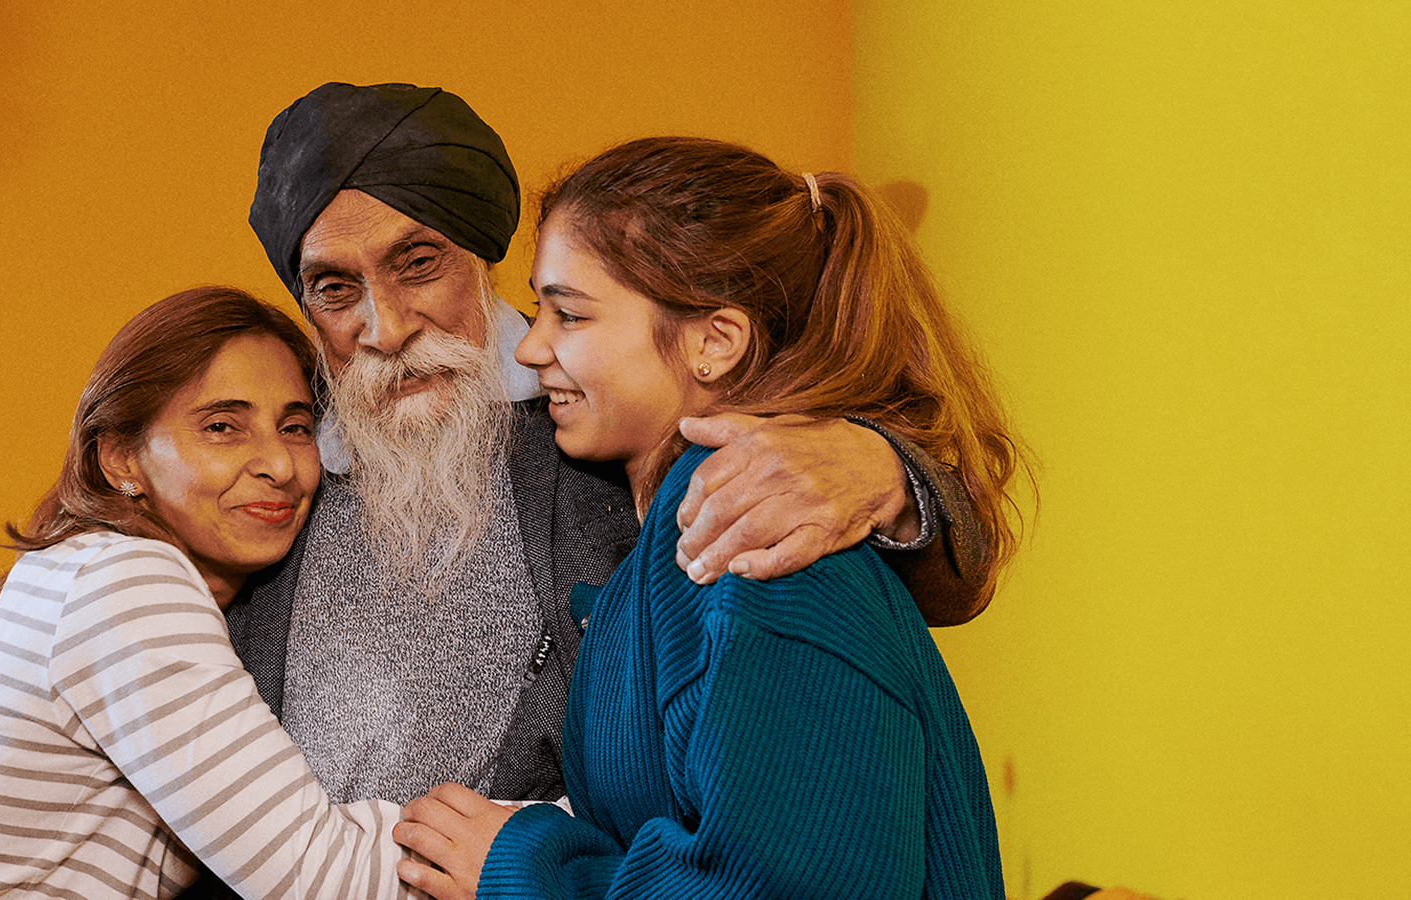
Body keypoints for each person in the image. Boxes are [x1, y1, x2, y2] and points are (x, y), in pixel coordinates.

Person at [223, 82, 999, 822]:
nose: (384, 328)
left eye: (417, 263)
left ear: (481, 258)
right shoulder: (269, 462)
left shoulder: (596, 407)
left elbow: (934, 587)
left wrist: (886, 472)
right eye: (333, 289)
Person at [391, 138, 1022, 899]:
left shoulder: (760, 541)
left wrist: (527, 869)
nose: (529, 347)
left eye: (570, 314)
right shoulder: (677, 524)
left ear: (713, 341)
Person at [0, 287, 421, 900]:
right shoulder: (126, 582)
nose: (278, 462)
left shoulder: (86, 568)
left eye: (295, 426)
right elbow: (323, 876)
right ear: (121, 459)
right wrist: (539, 833)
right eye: (223, 427)